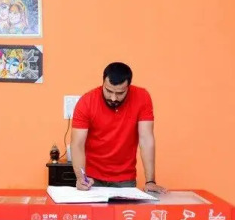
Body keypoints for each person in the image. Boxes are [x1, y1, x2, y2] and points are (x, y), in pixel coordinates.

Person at [70, 62, 166, 193]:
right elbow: (77, 144)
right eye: (109, 91)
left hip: (125, 179)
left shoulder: (142, 97)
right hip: (92, 179)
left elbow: (146, 139)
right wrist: (81, 177)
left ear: (128, 87)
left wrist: (150, 181)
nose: (113, 98)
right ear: (103, 83)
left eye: (120, 93)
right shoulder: (86, 102)